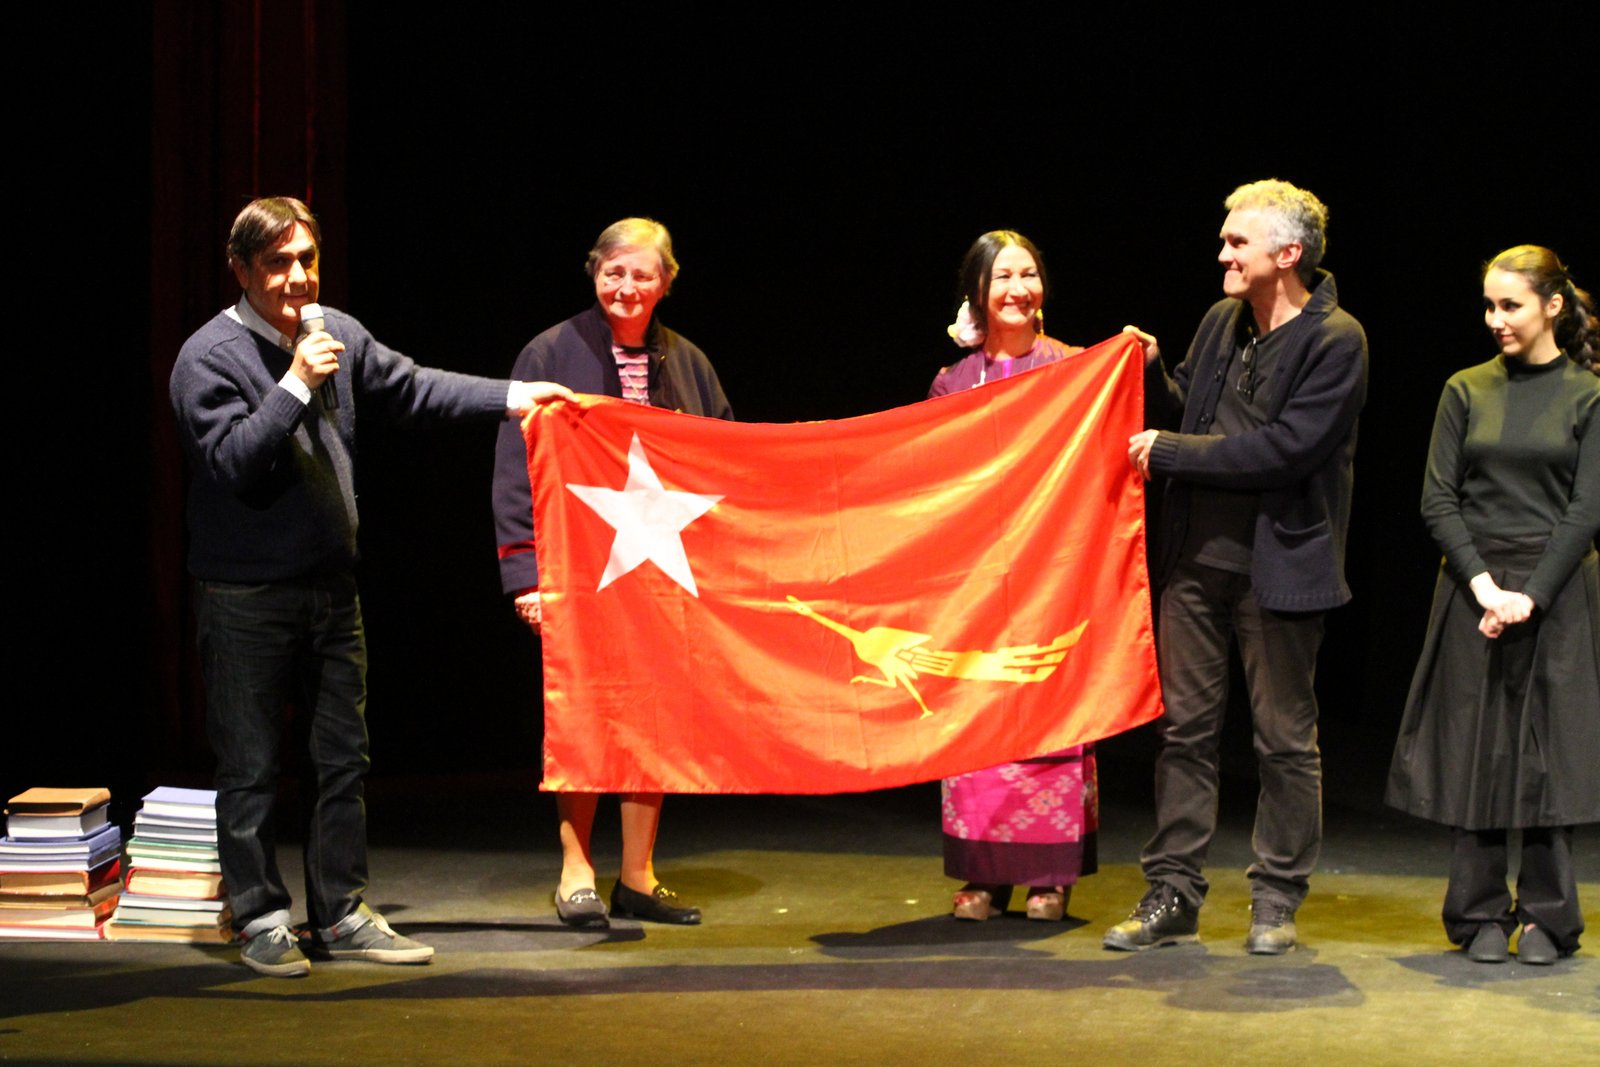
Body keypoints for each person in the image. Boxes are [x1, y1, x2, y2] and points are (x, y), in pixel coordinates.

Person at [171, 196, 573, 978]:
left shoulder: (335, 331)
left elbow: (413, 387)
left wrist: (514, 397)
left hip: (330, 587)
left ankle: (340, 912)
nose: (298, 277)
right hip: (244, 595)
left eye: (308, 259)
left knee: (341, 758)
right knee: (250, 766)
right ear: (241, 269)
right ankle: (260, 917)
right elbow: (233, 463)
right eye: (279, 263)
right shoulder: (207, 358)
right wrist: (294, 383)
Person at [1106, 180, 1368, 955]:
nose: (1222, 252)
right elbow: (1190, 407)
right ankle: (1174, 892)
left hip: (1279, 572)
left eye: (1236, 242)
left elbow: (1286, 448)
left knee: (1283, 740)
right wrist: (1152, 369)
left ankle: (1276, 898)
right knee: (1184, 733)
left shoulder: (1337, 339)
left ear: (1287, 254)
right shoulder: (1222, 320)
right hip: (1196, 564)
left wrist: (1171, 451)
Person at [492, 217, 732, 929]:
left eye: (642, 274)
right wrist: (525, 574)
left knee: (655, 715)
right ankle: (576, 871)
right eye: (614, 272)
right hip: (579, 567)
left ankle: (637, 874)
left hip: (665, 575)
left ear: (667, 282)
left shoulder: (689, 363)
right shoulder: (549, 352)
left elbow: (723, 458)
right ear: (594, 272)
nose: (627, 287)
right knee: (586, 712)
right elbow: (515, 468)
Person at [1386, 245, 1599, 965]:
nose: (1495, 319)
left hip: (1556, 588)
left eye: (1510, 305)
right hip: (1474, 584)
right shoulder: (1466, 388)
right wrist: (1483, 585)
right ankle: (1477, 911)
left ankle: (1547, 916)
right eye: (1489, 305)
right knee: (1474, 745)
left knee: (1545, 752)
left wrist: (1530, 596)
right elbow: (1437, 498)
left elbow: (1586, 509)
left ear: (1552, 306)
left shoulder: (1587, 395)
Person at [927, 230, 1097, 922]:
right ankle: (984, 874)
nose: (1018, 289)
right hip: (976, 581)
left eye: (1028, 275)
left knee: (1049, 721)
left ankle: (1050, 877)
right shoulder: (953, 382)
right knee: (978, 724)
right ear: (978, 291)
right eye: (1002, 277)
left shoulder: (1075, 368)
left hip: (1053, 574)